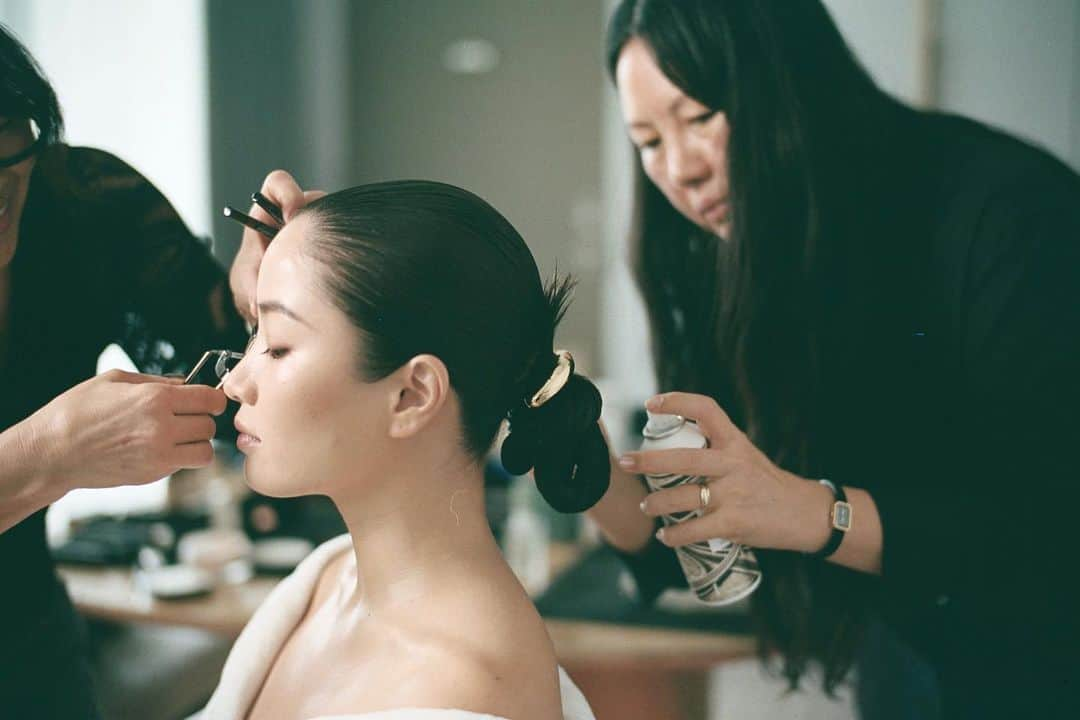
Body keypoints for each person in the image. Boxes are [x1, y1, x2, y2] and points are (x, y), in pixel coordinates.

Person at [579, 1, 1080, 719]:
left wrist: (816, 513)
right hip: (904, 657)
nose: (681, 170)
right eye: (649, 141)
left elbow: (1048, 531)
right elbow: (697, 545)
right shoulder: (753, 244)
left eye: (700, 117)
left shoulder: (1010, 220)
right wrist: (591, 480)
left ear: (788, 85)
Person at [199, 179, 601, 719]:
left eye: (276, 346)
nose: (233, 383)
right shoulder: (326, 576)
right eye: (252, 334)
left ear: (411, 395)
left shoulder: (467, 688)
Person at [0, 24, 245, 717]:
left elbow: (238, 385)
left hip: (30, 641)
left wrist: (271, 295)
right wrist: (47, 452)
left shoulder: (87, 207)